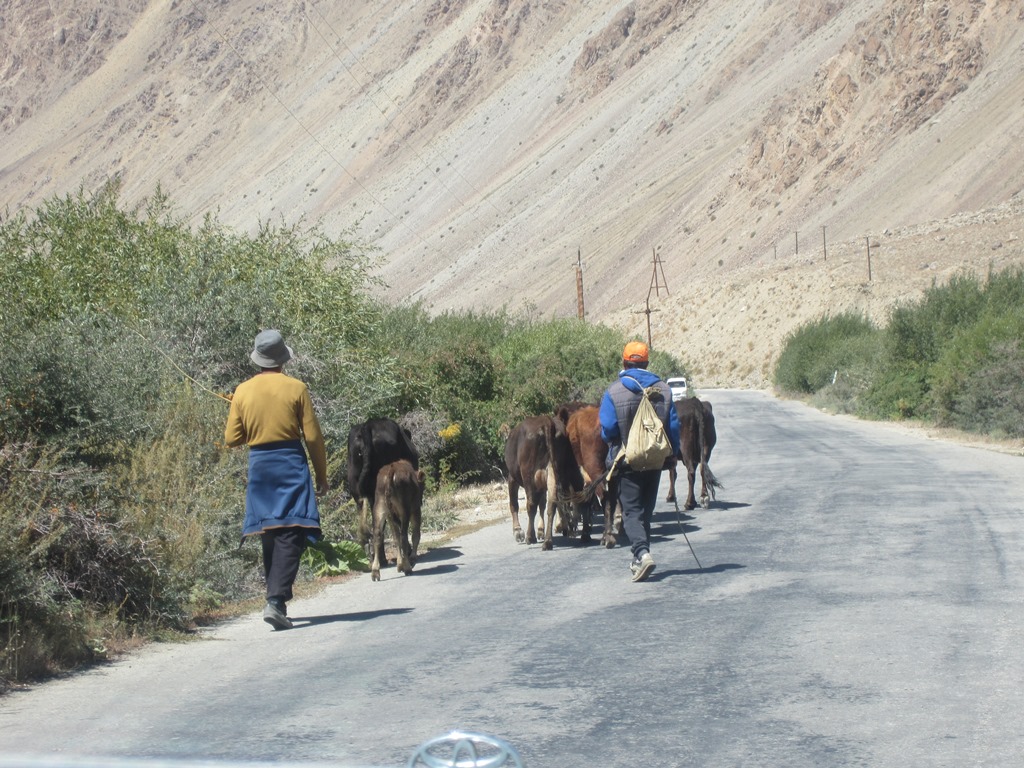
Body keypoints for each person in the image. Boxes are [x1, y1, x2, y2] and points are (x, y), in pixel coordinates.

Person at [224, 329, 329, 629]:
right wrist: (321, 475)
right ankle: (276, 601)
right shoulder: (296, 388)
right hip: (290, 463)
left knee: (272, 529)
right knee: (293, 530)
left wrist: (249, 421)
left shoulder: (242, 391)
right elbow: (312, 437)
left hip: (260, 466)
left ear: (258, 360)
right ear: (282, 359)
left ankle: (275, 599)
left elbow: (232, 439)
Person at [598, 340, 681, 582]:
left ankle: (642, 554)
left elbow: (609, 429)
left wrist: (613, 440)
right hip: (655, 460)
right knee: (646, 510)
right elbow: (673, 425)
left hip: (627, 461)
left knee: (631, 511)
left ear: (624, 362)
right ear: (646, 362)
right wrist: (673, 453)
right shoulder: (664, 390)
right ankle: (640, 556)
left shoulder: (614, 391)